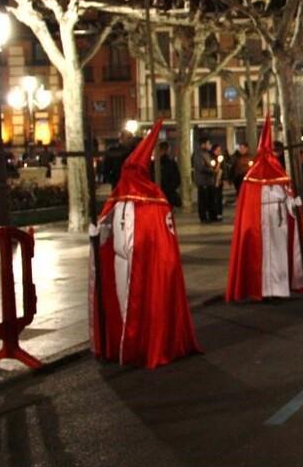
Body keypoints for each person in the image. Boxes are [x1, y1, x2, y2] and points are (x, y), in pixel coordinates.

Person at [89, 119, 202, 368]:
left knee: (141, 309)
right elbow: (107, 231)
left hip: (145, 264)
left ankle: (141, 346)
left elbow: (156, 238)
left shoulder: (154, 202)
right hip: (121, 262)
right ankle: (125, 346)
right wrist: (97, 231)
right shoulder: (119, 199)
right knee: (123, 309)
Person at [225, 115, 303, 302]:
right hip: (261, 229)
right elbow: (249, 207)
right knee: (264, 260)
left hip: (279, 225)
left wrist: (295, 204)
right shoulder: (251, 180)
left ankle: (279, 290)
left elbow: (287, 199)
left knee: (279, 259)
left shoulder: (279, 178)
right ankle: (265, 291)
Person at [191, 135, 213, 222]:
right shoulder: (198, 154)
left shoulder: (207, 154)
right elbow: (201, 167)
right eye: (208, 144)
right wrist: (212, 170)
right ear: (203, 144)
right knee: (203, 200)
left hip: (208, 181)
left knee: (208, 200)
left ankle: (209, 215)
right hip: (202, 180)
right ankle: (203, 217)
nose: (209, 145)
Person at [156, 141, 182, 207]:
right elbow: (177, 179)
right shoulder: (171, 163)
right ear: (167, 150)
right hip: (169, 194)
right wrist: (171, 188)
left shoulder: (155, 164)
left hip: (158, 193)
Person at [209, 143, 227, 222]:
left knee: (219, 197)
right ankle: (214, 213)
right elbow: (211, 169)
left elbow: (224, 168)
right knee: (213, 198)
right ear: (214, 150)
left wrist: (224, 179)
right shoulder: (210, 158)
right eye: (217, 150)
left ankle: (219, 213)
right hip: (212, 181)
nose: (219, 151)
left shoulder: (221, 158)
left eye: (220, 150)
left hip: (219, 181)